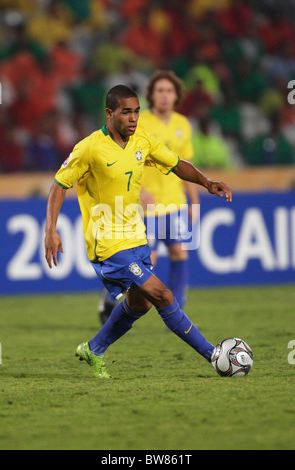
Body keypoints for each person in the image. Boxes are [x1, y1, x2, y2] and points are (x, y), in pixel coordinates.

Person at [44, 85, 232, 379]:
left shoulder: (142, 139)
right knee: (162, 294)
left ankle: (94, 349)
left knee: (140, 302)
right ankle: (214, 355)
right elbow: (58, 184)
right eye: (126, 112)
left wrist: (207, 183)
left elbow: (176, 164)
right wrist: (50, 232)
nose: (133, 118)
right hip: (107, 242)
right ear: (109, 113)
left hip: (136, 236)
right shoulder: (89, 147)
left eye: (136, 111)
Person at [99, 70, 198, 324]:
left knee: (179, 252)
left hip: (175, 202)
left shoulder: (183, 125)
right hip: (146, 206)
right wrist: (140, 190)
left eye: (169, 91)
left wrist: (193, 198)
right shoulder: (140, 123)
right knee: (147, 261)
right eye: (159, 91)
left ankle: (177, 310)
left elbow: (184, 163)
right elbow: (127, 160)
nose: (164, 96)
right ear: (151, 96)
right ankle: (110, 299)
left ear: (176, 96)